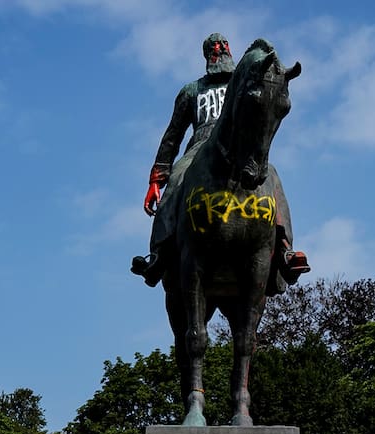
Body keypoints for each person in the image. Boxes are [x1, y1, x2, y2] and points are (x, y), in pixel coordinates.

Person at [130, 32, 309, 288]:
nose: (220, 50)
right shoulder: (192, 90)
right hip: (199, 149)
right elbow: (173, 135)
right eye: (213, 48)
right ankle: (159, 253)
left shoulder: (247, 83)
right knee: (180, 175)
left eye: (224, 46)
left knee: (272, 175)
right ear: (206, 55)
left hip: (241, 149)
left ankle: (284, 249)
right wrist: (156, 180)